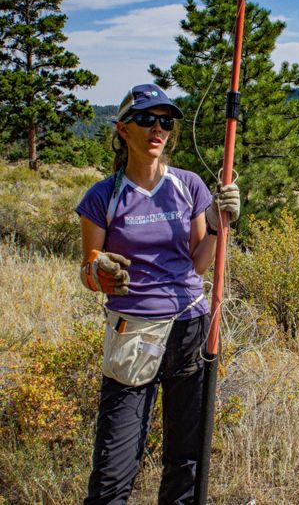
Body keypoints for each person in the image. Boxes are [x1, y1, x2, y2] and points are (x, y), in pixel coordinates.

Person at [76, 84, 240, 504]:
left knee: (187, 456)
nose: (158, 129)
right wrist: (100, 272)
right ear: (123, 129)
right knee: (115, 463)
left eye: (166, 121)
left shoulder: (188, 186)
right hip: (133, 334)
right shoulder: (102, 197)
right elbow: (89, 271)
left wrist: (222, 225)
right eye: (147, 119)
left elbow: (198, 263)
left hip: (190, 326)